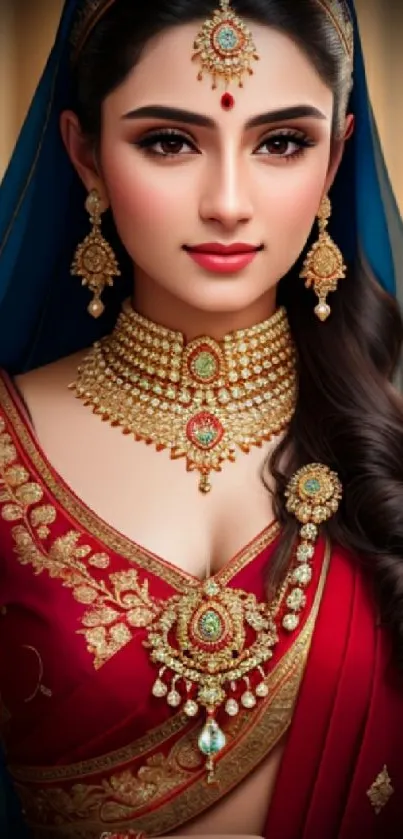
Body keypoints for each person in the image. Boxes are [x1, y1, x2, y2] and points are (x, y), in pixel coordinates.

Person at [0, 0, 403, 836]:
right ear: (84, 154)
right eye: (168, 142)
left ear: (335, 157)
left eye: (281, 143)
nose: (227, 202)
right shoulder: (8, 442)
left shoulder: (391, 428)